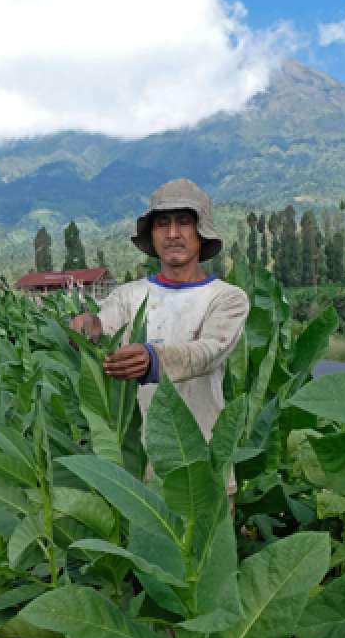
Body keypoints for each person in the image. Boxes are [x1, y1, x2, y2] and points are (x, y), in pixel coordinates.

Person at [69, 178, 250, 487]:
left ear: (201, 232)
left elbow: (208, 351)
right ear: (151, 235)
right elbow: (103, 326)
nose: (172, 234)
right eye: (162, 224)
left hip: (202, 464)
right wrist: (88, 327)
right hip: (134, 471)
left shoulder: (227, 299)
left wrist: (153, 360)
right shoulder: (128, 297)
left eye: (184, 223)